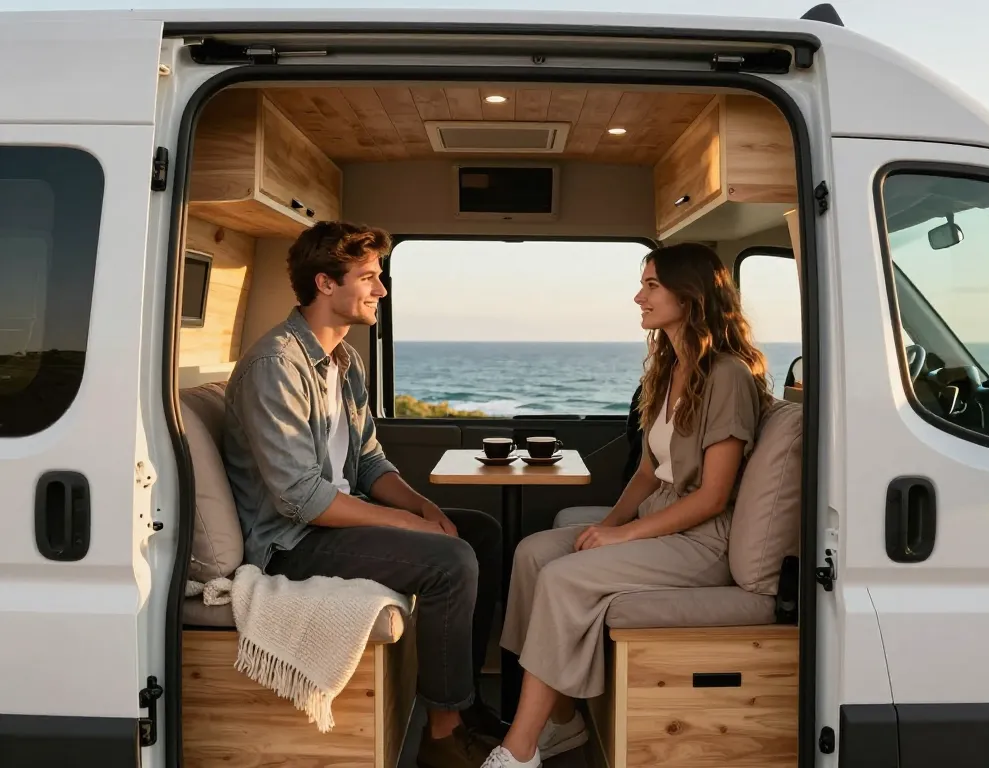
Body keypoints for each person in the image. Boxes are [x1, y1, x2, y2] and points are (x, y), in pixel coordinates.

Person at [479, 242, 775, 768]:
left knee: (562, 578)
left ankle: (517, 751)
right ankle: (562, 720)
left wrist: (621, 537)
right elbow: (646, 473)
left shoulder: (727, 376)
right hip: (661, 520)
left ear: (689, 295)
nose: (639, 297)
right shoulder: (670, 368)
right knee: (533, 554)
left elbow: (713, 496)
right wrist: (607, 527)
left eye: (652, 285)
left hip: (703, 541)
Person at [220, 220, 504, 768]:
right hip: (292, 542)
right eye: (369, 277)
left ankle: (464, 708)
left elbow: (369, 461)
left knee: (481, 533)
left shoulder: (344, 363)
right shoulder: (275, 366)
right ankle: (442, 738)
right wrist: (409, 526)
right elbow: (301, 498)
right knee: (450, 562)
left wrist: (424, 507)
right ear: (326, 283)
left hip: (334, 522)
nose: (381, 290)